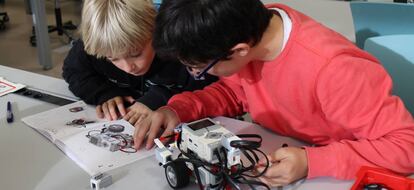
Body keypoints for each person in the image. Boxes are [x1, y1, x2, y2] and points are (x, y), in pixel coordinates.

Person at [133, 0, 414, 187]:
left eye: (197, 68)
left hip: (333, 174)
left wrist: (311, 161)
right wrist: (178, 109)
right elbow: (234, 93)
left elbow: (406, 146)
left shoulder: (335, 69)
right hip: (277, 153)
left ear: (239, 51)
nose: (197, 74)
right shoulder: (247, 27)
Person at [62, 0, 217, 123]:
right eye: (112, 58)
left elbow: (212, 85)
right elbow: (73, 71)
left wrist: (158, 98)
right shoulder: (99, 44)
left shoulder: (179, 42)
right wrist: (105, 94)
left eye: (136, 54)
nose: (128, 67)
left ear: (154, 31)